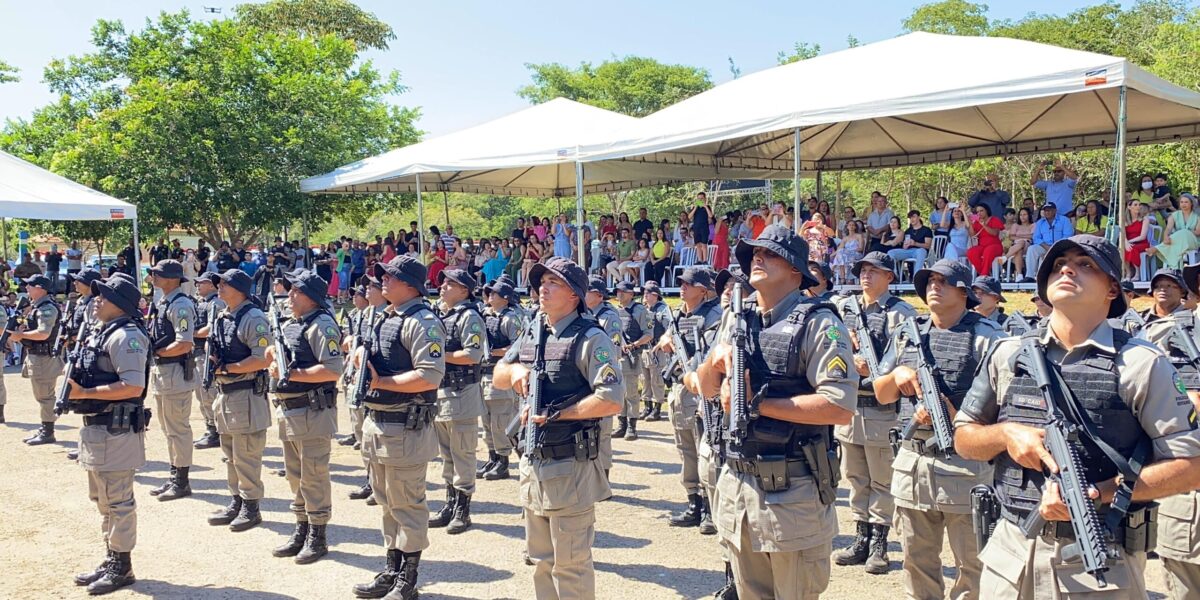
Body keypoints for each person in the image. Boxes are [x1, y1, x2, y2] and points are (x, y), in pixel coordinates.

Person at [954, 234, 1200, 599]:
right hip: (1011, 556)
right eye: (1058, 264)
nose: (1067, 268)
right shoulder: (1007, 353)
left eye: (1086, 264)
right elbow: (964, 437)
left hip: (1100, 563)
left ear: (1112, 289)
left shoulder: (1141, 364)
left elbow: (1191, 465)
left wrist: (1099, 494)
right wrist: (1006, 435)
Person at [695, 224, 857, 599]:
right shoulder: (738, 318)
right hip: (739, 487)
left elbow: (839, 405)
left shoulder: (819, 322)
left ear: (796, 270)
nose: (758, 258)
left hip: (793, 490)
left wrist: (759, 405)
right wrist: (714, 364)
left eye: (769, 253)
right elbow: (704, 387)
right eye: (754, 253)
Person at [491, 256, 622, 600]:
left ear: (575, 296)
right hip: (534, 463)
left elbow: (611, 399)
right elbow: (498, 375)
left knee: (571, 565)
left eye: (554, 283)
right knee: (541, 561)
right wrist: (516, 372)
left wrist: (557, 415)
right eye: (542, 282)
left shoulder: (591, 338)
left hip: (570, 464)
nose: (543, 288)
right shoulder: (535, 330)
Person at [872, 259, 1003, 600]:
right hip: (913, 463)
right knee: (916, 562)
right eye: (930, 280)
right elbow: (880, 392)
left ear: (964, 291)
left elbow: (1004, 407)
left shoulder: (986, 337)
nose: (934, 286)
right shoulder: (908, 332)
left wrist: (954, 414)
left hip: (966, 467)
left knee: (974, 565)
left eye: (944, 281)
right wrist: (897, 376)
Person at [350, 255, 445, 600]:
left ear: (411, 284)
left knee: (407, 504)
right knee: (387, 502)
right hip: (379, 424)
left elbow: (429, 374)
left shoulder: (423, 322)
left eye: (390, 276)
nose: (382, 281)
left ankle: (409, 578)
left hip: (405, 426)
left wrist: (383, 381)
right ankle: (391, 568)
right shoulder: (387, 317)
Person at [61, 274, 150, 595]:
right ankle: (112, 555)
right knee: (102, 500)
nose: (96, 300)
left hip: (118, 429)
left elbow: (133, 386)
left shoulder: (126, 337)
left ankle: (122, 566)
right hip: (97, 429)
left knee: (118, 501)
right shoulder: (102, 333)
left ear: (121, 305)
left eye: (104, 296)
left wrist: (84, 391)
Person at [832, 252, 917, 575]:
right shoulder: (845, 307)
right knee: (855, 477)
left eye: (873, 271)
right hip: (851, 405)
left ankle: (880, 542)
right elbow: (830, 341)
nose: (865, 276)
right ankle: (861, 537)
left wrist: (877, 369)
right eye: (862, 271)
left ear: (889, 277)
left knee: (882, 480)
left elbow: (906, 354)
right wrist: (848, 354)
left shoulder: (899, 313)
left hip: (882, 409)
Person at [265, 269, 344, 564]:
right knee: (295, 476)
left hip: (312, 410)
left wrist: (290, 372)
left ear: (310, 296)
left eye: (296, 290)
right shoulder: (292, 324)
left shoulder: (321, 325)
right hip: (290, 409)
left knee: (313, 475)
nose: (290, 295)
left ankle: (318, 534)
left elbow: (333, 368)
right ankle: (302, 527)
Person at [654, 267, 723, 533]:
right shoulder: (679, 315)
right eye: (681, 283)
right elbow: (666, 335)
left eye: (688, 284)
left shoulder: (713, 315)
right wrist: (666, 340)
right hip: (679, 390)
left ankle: (709, 506)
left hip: (699, 389)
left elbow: (710, 353)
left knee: (704, 449)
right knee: (685, 449)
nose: (682, 287)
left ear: (703, 290)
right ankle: (693, 501)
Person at [206, 269, 273, 533]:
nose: (219, 287)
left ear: (241, 289)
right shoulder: (223, 316)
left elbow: (263, 358)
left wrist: (227, 368)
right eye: (219, 283)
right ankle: (236, 500)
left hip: (245, 394)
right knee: (230, 456)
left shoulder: (253, 317)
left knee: (246, 455)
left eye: (225, 284)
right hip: (226, 394)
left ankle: (251, 506)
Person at [428, 268, 485, 536]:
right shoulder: (443, 315)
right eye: (444, 282)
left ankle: (463, 508)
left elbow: (473, 355)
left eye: (450, 284)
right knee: (447, 454)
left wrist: (439, 357)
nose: (443, 287)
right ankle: (450, 503)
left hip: (462, 394)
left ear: (464, 290)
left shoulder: (469, 316)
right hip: (442, 392)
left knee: (463, 454)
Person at [144, 260, 198, 501]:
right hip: (164, 373)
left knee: (178, 429)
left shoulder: (181, 305)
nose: (152, 278)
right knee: (168, 429)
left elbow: (184, 343)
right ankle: (174, 475)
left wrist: (156, 352)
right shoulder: (164, 302)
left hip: (175, 372)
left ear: (173, 278)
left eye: (157, 274)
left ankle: (182, 481)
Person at [477, 277, 522, 481]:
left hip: (501, 375)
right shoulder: (485, 316)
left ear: (504, 298)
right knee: (486, 421)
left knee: (500, 421)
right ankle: (493, 457)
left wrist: (495, 352)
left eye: (494, 293)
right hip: (484, 374)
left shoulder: (510, 318)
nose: (489, 296)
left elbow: (518, 346)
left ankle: (503, 461)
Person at [13, 274, 64, 445]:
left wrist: (21, 335)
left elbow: (44, 333)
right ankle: (46, 428)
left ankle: (48, 431)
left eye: (30, 285)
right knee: (41, 395)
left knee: (45, 396)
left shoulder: (46, 308)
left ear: (41, 288)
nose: (26, 288)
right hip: (37, 355)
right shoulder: (36, 306)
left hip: (44, 358)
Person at [584, 275, 622, 477]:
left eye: (588, 290)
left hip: (603, 376)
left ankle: (604, 476)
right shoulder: (584, 314)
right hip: (586, 379)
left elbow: (614, 350)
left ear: (598, 295)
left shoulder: (609, 316)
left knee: (603, 431)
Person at [613, 280, 652, 441]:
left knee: (631, 392)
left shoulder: (639, 310)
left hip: (632, 357)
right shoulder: (615, 311)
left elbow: (649, 334)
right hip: (617, 356)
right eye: (617, 291)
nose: (619, 294)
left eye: (622, 292)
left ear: (631, 294)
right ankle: (621, 424)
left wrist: (634, 345)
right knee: (619, 392)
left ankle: (632, 426)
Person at [191, 274, 226, 450]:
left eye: (202, 282)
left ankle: (217, 431)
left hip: (207, 353)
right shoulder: (201, 302)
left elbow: (212, 328)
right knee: (201, 393)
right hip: (197, 352)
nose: (197, 285)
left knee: (208, 392)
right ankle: (210, 428)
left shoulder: (216, 303)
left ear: (212, 286)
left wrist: (193, 333)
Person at [638, 281, 670, 422]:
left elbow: (669, 328)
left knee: (657, 379)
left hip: (658, 349)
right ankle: (647, 407)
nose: (644, 295)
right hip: (645, 348)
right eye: (644, 292)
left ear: (655, 295)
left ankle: (657, 409)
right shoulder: (644, 309)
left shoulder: (662, 310)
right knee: (645, 379)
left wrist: (660, 344)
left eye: (647, 292)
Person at [1148, 192, 1200, 269]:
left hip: (1193, 241)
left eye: (1186, 202)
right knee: (1176, 238)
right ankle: (1176, 268)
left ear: (1191, 203)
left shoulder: (1197, 216)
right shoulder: (1174, 215)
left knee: (1184, 232)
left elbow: (1198, 232)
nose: (1183, 204)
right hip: (1178, 241)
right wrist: (1165, 236)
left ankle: (1158, 248)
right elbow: (1168, 228)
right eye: (1181, 202)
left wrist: (1186, 232)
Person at [1023, 204, 1073, 282]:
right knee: (1032, 249)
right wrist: (1046, 246)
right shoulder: (1040, 222)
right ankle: (1029, 276)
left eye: (1049, 210)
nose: (1047, 212)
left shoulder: (1064, 220)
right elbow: (1036, 237)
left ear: (1055, 211)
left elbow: (1067, 236)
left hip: (1060, 247)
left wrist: (1055, 247)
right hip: (1045, 246)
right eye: (1045, 210)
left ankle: (1043, 279)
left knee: (1045, 258)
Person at [967, 204, 1005, 277]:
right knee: (971, 252)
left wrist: (984, 225)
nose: (979, 213)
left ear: (987, 211)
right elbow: (972, 235)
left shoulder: (994, 219)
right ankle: (984, 274)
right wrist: (970, 223)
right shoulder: (977, 222)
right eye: (977, 212)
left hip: (995, 246)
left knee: (988, 251)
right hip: (982, 246)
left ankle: (983, 275)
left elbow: (995, 233)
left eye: (981, 211)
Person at [1124, 200, 1154, 278]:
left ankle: (1137, 273)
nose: (1138, 206)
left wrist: (1129, 242)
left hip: (1142, 243)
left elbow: (1142, 236)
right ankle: (1128, 273)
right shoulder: (1125, 220)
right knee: (1122, 249)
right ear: (1129, 207)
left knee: (1132, 248)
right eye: (1135, 204)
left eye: (1139, 204)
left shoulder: (1144, 219)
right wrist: (1126, 242)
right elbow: (1123, 235)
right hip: (1128, 242)